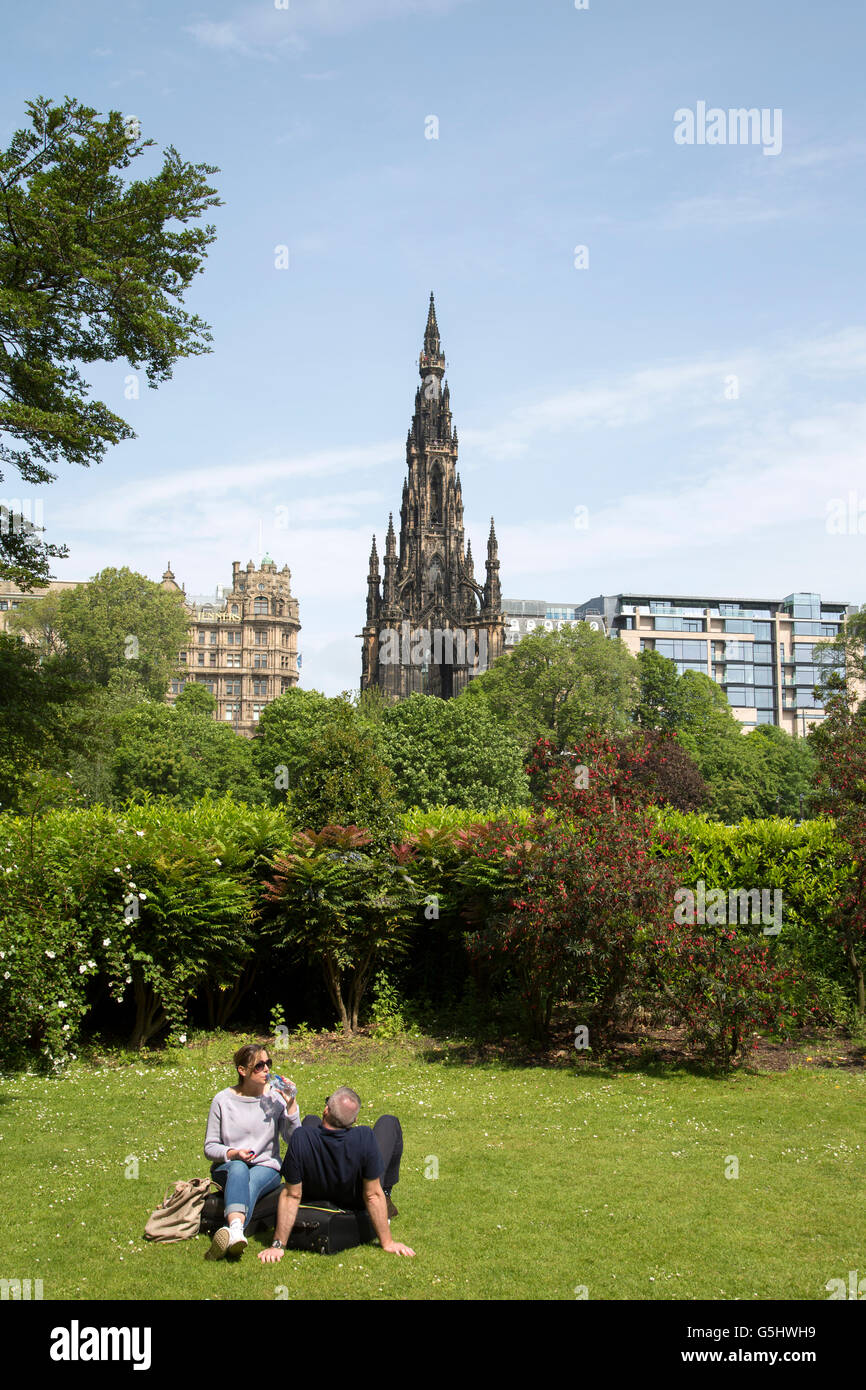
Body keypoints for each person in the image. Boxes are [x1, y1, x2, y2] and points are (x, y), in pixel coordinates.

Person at [258, 1086, 415, 1263]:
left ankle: (384, 1195)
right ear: (354, 1119)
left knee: (310, 1120)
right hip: (354, 1201)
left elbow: (291, 1194)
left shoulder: (301, 1137)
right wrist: (387, 1243)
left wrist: (277, 1245)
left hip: (313, 1195)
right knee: (388, 1121)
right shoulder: (364, 1136)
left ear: (326, 1110)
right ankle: (387, 1193)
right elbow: (372, 1194)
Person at [204, 1042, 301, 1261]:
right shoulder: (223, 1100)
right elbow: (209, 1147)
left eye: (268, 1063)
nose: (266, 1069)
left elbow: (295, 1140)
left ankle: (234, 1230)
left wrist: (291, 1106)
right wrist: (232, 1153)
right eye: (259, 1066)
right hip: (228, 1166)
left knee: (251, 1180)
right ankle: (236, 1233)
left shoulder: (275, 1098)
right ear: (242, 1070)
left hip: (266, 1166)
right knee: (239, 1168)